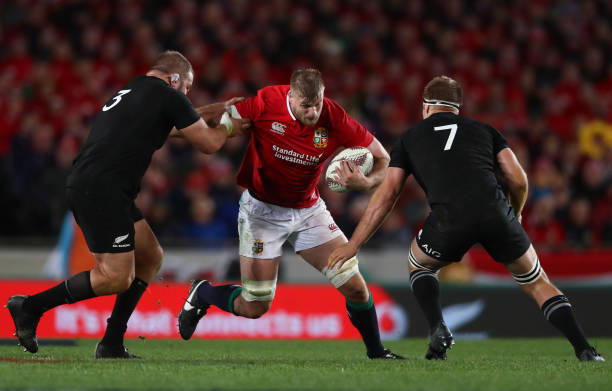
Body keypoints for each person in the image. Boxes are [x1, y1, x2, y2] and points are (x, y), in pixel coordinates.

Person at [328, 76, 605, 362]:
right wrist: (517, 212)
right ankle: (584, 349)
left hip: (450, 218)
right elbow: (518, 178)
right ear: (457, 108)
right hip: (496, 212)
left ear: (425, 107)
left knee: (419, 264)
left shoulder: (409, 138)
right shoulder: (485, 130)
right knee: (536, 282)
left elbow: (387, 196)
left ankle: (438, 328)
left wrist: (354, 245)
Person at [6, 50, 249, 358]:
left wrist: (216, 109)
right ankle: (29, 307)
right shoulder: (167, 95)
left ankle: (111, 343)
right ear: (175, 79)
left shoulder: (135, 89)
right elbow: (209, 143)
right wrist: (230, 126)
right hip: (102, 189)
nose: (185, 95)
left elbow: (172, 126)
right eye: (186, 88)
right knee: (116, 276)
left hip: (100, 186)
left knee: (149, 256)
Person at [178, 68, 403, 359]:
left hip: (309, 212)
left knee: (356, 287)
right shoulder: (265, 103)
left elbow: (383, 157)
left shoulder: (334, 117)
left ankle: (377, 353)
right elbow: (215, 125)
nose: (312, 112)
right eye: (305, 106)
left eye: (317, 104)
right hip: (261, 213)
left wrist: (367, 182)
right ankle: (204, 293)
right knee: (255, 305)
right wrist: (182, 128)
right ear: (291, 95)